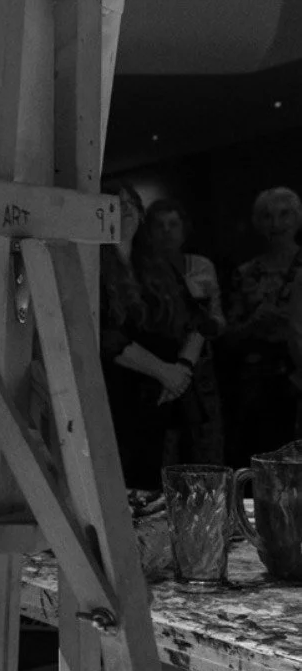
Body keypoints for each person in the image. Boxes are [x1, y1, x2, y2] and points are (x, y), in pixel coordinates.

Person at [99, 184, 219, 489]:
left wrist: (183, 370)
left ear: (140, 214)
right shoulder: (93, 265)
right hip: (119, 393)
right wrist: (165, 373)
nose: (124, 208)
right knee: (125, 477)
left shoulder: (159, 265)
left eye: (131, 203)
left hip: (166, 393)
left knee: (165, 479)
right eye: (115, 202)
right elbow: (104, 335)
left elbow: (198, 320)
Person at [223, 186, 302, 463]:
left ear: (298, 219)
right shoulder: (245, 273)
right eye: (267, 216)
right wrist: (253, 325)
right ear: (257, 223)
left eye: (285, 215)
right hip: (257, 385)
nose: (276, 224)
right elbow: (228, 336)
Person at [144, 198, 225, 465]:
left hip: (199, 364)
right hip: (160, 363)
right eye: (159, 225)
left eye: (173, 224)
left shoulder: (200, 265)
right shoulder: (142, 268)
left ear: (183, 229)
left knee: (205, 443)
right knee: (165, 447)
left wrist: (203, 315)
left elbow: (217, 319)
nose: (167, 231)